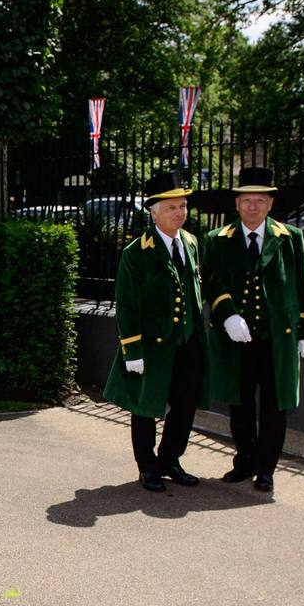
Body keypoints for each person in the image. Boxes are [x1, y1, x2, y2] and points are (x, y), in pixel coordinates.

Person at [203, 167, 304, 493]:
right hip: (236, 340)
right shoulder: (218, 240)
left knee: (274, 406)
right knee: (240, 406)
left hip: (276, 340)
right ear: (237, 204)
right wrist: (227, 315)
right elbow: (211, 280)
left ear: (270, 203)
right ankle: (245, 461)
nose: (252, 207)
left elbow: (302, 284)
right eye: (246, 200)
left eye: (260, 200)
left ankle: (266, 469)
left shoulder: (290, 237)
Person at [102, 170, 207, 492]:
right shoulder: (137, 252)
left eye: (183, 206)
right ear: (153, 211)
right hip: (152, 345)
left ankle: (170, 459)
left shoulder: (189, 242)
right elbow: (128, 303)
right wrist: (132, 350)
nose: (180, 213)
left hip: (187, 342)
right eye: (172, 207)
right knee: (145, 406)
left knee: (185, 404)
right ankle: (147, 466)